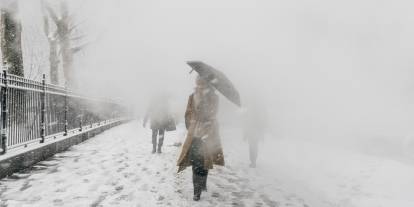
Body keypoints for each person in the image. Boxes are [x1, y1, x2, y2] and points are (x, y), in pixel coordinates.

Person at [177, 75, 225, 201]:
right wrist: (190, 124)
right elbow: (187, 113)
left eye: (201, 82)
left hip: (209, 133)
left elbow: (214, 113)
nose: (199, 85)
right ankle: (196, 191)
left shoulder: (214, 97)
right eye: (197, 82)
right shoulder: (192, 97)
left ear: (207, 83)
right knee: (195, 162)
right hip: (195, 134)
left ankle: (202, 183)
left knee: (205, 162)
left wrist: (207, 119)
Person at [242, 99, 268, 168]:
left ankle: (253, 161)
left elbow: (247, 122)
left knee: (252, 147)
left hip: (252, 131)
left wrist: (245, 134)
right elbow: (263, 123)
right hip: (255, 132)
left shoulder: (251, 110)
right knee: (254, 146)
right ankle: (253, 161)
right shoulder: (259, 110)